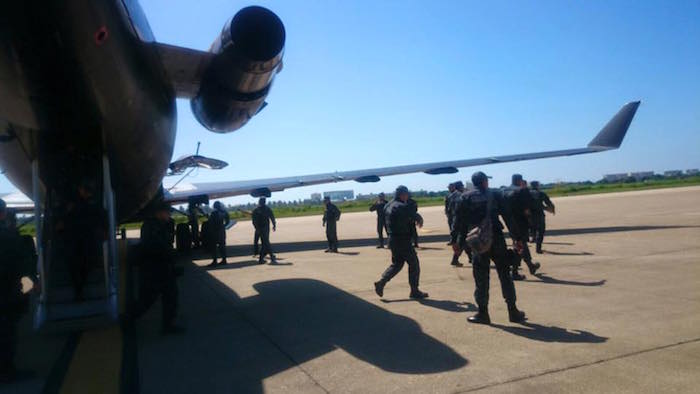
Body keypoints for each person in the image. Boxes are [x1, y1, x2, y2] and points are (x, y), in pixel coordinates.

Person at [453, 172, 526, 324]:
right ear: (485, 182)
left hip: (478, 241)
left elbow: (459, 221)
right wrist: (517, 238)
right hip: (497, 239)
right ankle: (513, 311)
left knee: (481, 278)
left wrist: (457, 242)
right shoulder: (496, 195)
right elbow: (508, 216)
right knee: (505, 275)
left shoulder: (466, 197)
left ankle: (483, 313)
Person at [131, 202, 182, 334]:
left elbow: (168, 244)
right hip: (153, 269)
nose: (169, 214)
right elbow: (156, 246)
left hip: (164, 267)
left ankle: (168, 325)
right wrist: (170, 255)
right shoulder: (150, 226)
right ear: (159, 212)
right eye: (167, 212)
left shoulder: (165, 224)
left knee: (171, 297)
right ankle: (127, 319)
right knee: (147, 300)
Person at [373, 186, 429, 299]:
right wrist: (419, 219)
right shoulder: (401, 206)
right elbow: (413, 215)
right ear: (402, 195)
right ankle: (414, 291)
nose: (408, 196)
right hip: (402, 239)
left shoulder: (387, 205)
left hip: (392, 239)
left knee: (397, 264)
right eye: (407, 194)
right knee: (414, 264)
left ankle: (381, 282)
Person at [0, 199, 34, 382]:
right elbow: (24, 271)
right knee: (7, 334)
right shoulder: (12, 238)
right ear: (3, 214)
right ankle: (6, 371)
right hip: (7, 296)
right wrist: (28, 292)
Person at [64, 180, 106, 300]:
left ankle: (79, 289)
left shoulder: (84, 204)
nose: (81, 191)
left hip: (84, 239)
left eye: (82, 189)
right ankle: (79, 290)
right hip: (80, 239)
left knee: (82, 264)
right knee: (78, 264)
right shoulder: (91, 203)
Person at [504, 174, 540, 280]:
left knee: (521, 244)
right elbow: (527, 209)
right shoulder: (522, 191)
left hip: (510, 223)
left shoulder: (505, 191)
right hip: (521, 223)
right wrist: (531, 222)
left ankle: (530, 265)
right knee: (519, 246)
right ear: (520, 180)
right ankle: (514, 272)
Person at [529, 181, 555, 254]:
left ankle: (532, 238)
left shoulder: (527, 194)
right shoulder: (541, 193)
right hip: (539, 215)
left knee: (532, 228)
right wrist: (552, 210)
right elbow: (549, 203)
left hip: (529, 215)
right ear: (537, 186)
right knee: (540, 231)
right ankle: (538, 248)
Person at [448, 181, 470, 267]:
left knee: (464, 241)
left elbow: (449, 209)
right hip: (463, 221)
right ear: (460, 187)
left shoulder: (451, 196)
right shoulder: (462, 196)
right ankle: (455, 259)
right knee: (463, 241)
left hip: (455, 220)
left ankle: (470, 257)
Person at [252, 198, 278, 264]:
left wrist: (256, 228)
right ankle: (270, 257)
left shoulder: (256, 210)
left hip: (260, 228)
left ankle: (262, 258)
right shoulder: (266, 209)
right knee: (266, 242)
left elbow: (254, 221)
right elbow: (272, 217)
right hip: (264, 228)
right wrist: (274, 225)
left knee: (265, 243)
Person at [207, 201, 230, 266]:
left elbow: (210, 222)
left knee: (214, 247)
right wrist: (224, 226)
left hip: (215, 231)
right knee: (222, 246)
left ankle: (215, 261)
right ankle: (224, 260)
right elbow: (227, 221)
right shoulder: (224, 212)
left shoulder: (213, 213)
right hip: (222, 231)